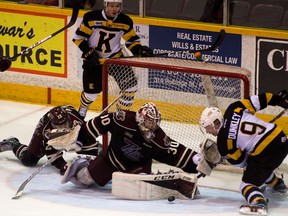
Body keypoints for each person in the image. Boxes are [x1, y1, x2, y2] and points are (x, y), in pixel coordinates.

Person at [61, 102, 207, 192]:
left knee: (138, 185)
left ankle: (157, 180)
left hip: (137, 166)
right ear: (140, 119)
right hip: (111, 159)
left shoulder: (158, 137)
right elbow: (98, 123)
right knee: (84, 180)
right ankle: (83, 164)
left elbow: (176, 152)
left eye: (155, 123)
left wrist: (198, 161)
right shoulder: (122, 119)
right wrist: (79, 139)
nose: (152, 127)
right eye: (149, 123)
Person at [199, 90, 288, 215]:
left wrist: (224, 156)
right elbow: (261, 99)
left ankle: (258, 203)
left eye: (207, 127)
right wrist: (278, 100)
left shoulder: (223, 143)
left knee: (246, 184)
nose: (208, 131)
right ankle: (278, 185)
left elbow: (241, 163)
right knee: (257, 166)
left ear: (215, 123)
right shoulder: (233, 109)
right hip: (281, 139)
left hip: (266, 152)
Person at [73, 0, 153, 118]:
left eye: (117, 6)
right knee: (92, 95)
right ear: (106, 6)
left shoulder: (125, 21)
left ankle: (119, 117)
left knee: (131, 87)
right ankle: (82, 110)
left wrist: (140, 50)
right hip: (94, 62)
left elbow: (131, 41)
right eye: (111, 6)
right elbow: (78, 38)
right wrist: (89, 52)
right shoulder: (91, 18)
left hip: (114, 60)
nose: (114, 9)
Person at [0, 105, 101, 175]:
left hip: (68, 116)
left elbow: (88, 137)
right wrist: (63, 166)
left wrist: (93, 156)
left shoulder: (76, 120)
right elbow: (52, 153)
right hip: (43, 127)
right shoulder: (47, 131)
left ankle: (99, 148)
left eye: (64, 123)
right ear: (53, 124)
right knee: (29, 160)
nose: (62, 127)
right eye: (59, 125)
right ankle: (12, 143)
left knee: (82, 140)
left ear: (68, 119)